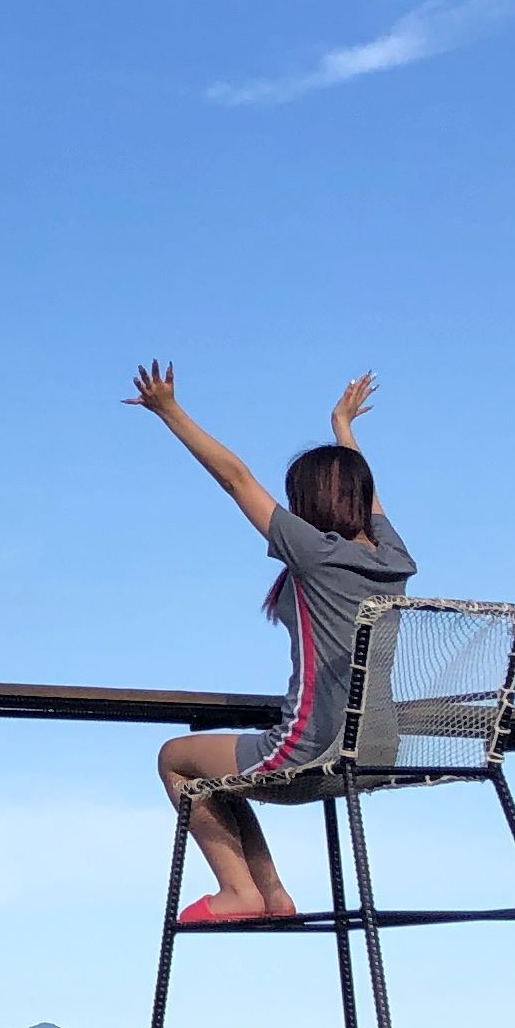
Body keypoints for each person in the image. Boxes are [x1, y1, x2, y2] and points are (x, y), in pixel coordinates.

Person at [125, 364, 411, 922]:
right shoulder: (393, 559)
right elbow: (370, 500)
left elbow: (235, 478)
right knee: (220, 772)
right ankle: (271, 897)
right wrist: (343, 428)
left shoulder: (314, 553)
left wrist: (169, 412)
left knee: (176, 762)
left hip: (313, 751)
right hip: (377, 753)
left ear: (306, 502)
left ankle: (239, 891)